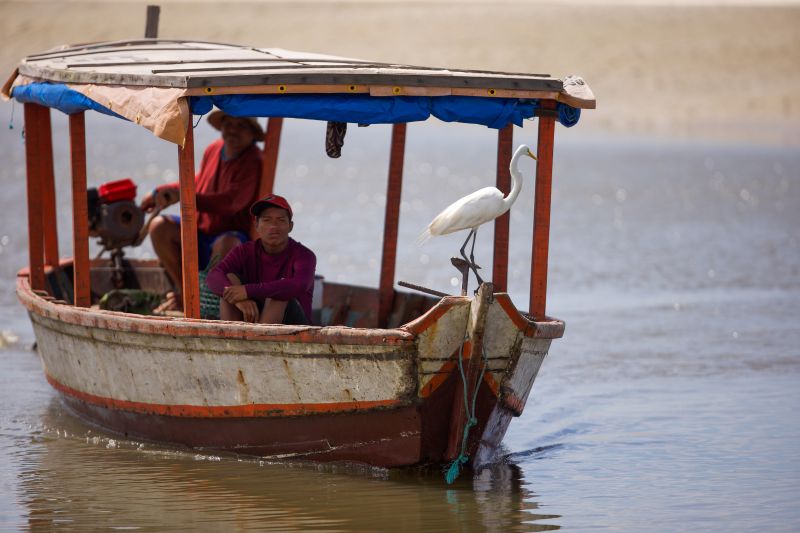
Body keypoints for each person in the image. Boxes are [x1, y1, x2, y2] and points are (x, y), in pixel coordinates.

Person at [140, 110, 264, 312]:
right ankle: (187, 294)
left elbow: (231, 202)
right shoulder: (214, 149)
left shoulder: (254, 159)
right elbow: (198, 182)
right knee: (158, 226)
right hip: (200, 234)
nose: (233, 130)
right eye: (228, 124)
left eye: (241, 126)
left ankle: (211, 304)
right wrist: (161, 192)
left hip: (232, 238)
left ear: (252, 132)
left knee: (227, 243)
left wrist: (183, 196)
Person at [205, 195, 316, 325]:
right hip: (253, 318)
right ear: (256, 225)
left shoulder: (305, 255)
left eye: (281, 220)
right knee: (230, 279)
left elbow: (300, 284)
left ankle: (259, 337)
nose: (273, 226)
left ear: (290, 226)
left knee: (279, 293)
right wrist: (238, 300)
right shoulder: (244, 251)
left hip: (295, 326)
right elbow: (213, 275)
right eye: (266, 220)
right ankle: (232, 335)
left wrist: (247, 291)